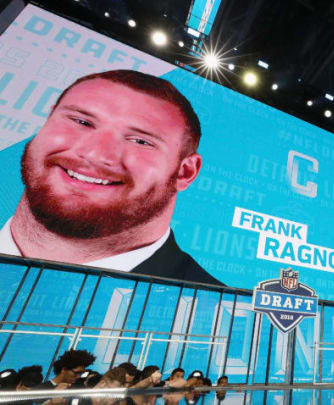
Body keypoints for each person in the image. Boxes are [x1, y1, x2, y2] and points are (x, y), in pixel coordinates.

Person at [0, 70, 220, 285]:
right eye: (81, 122)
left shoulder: (209, 308)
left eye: (140, 141)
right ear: (47, 121)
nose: (95, 154)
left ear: (186, 172)